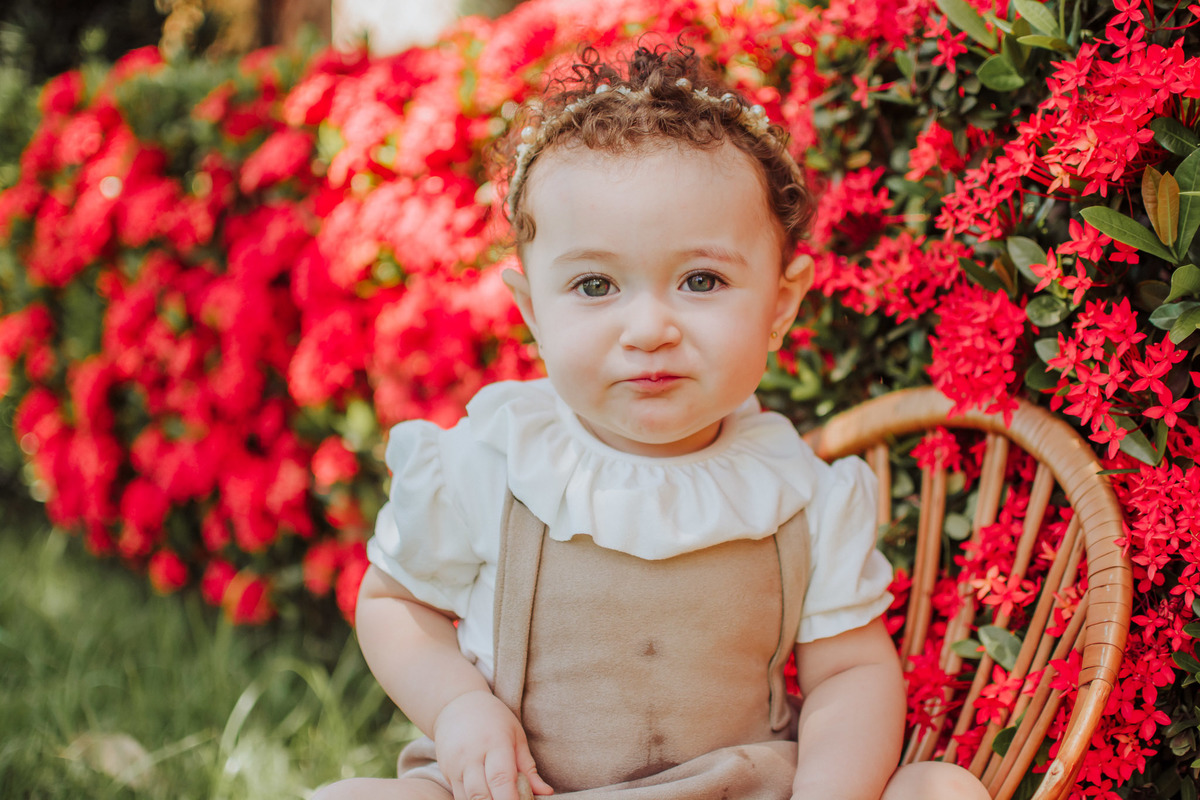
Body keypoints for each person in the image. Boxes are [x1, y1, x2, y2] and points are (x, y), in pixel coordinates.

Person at [316, 43, 990, 800]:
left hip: (741, 787)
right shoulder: (492, 462)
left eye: (701, 280)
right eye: (596, 284)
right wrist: (460, 707)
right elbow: (395, 603)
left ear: (781, 302)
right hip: (523, 790)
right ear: (533, 311)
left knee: (942, 789)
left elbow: (852, 671)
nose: (649, 329)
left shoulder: (802, 494)